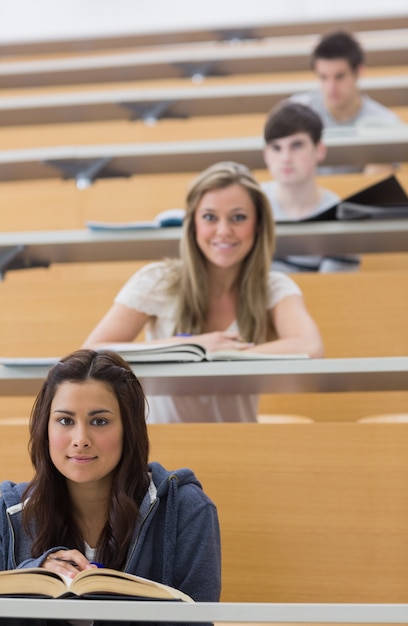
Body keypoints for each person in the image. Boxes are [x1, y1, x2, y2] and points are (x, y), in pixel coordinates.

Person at [82, 161, 324, 423]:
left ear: (257, 225)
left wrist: (218, 354)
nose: (223, 231)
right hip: (160, 448)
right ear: (193, 224)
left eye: (238, 217)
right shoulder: (157, 280)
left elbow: (310, 347)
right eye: (210, 217)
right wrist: (189, 347)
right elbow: (92, 352)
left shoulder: (274, 287)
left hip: (240, 442)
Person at [0, 349, 221, 626]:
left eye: (99, 421)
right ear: (45, 428)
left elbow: (196, 622)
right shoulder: (6, 511)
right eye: (65, 421)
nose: (80, 439)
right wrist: (35, 574)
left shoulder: (188, 510)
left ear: (129, 428)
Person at [262, 100, 359, 272]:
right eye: (276, 148)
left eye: (297, 145)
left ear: (319, 150)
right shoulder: (251, 205)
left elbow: (334, 292)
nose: (285, 158)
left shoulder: (339, 216)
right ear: (266, 155)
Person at [290, 30, 400, 174]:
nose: (331, 87)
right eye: (323, 77)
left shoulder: (384, 121)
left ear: (358, 71)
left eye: (339, 76)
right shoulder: (297, 113)